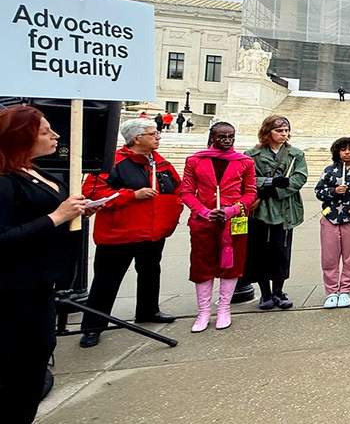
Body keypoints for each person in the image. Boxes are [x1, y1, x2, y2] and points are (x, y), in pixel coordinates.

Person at [0, 106, 95, 423]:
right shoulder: (5, 181)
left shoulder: (39, 172)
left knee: (38, 355)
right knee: (18, 368)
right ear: (19, 138)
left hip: (43, 282)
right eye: (44, 131)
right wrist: (57, 217)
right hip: (13, 291)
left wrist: (79, 210)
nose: (55, 135)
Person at [77, 119, 183, 348]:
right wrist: (131, 195)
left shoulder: (160, 162)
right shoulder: (113, 162)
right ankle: (93, 326)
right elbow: (92, 193)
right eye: (153, 133)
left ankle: (148, 310)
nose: (158, 137)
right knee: (107, 280)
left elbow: (178, 188)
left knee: (150, 273)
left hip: (153, 233)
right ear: (137, 138)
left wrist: (173, 211)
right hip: (119, 235)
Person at [179, 122, 258, 332]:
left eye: (230, 136)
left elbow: (251, 192)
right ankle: (203, 311)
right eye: (221, 136)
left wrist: (233, 209)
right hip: (204, 221)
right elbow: (186, 192)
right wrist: (204, 211)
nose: (226, 140)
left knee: (231, 264)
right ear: (212, 137)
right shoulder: (195, 160)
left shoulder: (245, 162)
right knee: (201, 264)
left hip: (233, 221)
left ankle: (224, 307)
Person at [244, 116, 308, 310]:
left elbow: (300, 177)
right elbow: (247, 177)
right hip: (261, 207)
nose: (284, 134)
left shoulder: (296, 155)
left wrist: (279, 190)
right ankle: (265, 294)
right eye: (279, 130)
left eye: (286, 130)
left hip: (285, 207)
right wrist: (268, 184)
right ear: (268, 132)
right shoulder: (251, 154)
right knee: (260, 251)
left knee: (282, 251)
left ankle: (279, 291)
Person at [315, 137, 350, 309]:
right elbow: (319, 191)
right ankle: (331, 291)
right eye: (343, 149)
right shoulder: (330, 170)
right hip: (330, 218)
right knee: (329, 256)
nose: (347, 152)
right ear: (337, 152)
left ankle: (345, 289)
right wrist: (334, 191)